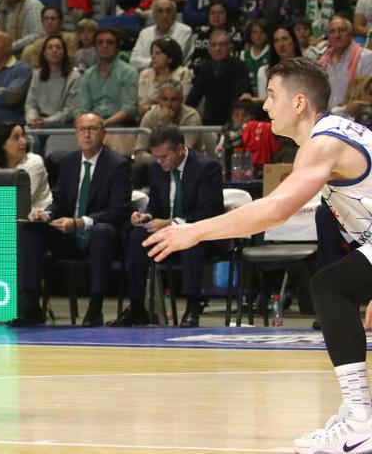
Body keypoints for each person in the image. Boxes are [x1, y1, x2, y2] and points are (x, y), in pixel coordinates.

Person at [142, 56, 372, 454]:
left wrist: (194, 231)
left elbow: (275, 210)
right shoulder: (334, 135)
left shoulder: (324, 143)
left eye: (271, 95)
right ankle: (360, 415)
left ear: (298, 103)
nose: (265, 106)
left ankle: (360, 418)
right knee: (338, 286)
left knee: (330, 286)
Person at [18, 113, 131, 326]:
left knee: (102, 231)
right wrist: (48, 214)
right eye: (82, 129)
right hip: (69, 235)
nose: (87, 134)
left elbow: (119, 211)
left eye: (93, 128)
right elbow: (59, 200)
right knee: (30, 230)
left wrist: (80, 222)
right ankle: (31, 304)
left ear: (103, 134)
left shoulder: (118, 165)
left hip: (100, 237)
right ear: (76, 134)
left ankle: (95, 308)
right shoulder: (68, 162)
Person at [116, 125, 224, 328]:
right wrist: (146, 216)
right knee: (137, 237)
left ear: (180, 149)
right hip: (170, 234)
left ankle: (192, 307)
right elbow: (156, 204)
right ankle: (137, 306)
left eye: (164, 156)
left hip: (204, 234)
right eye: (156, 156)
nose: (159, 161)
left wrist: (169, 223)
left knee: (192, 238)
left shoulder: (206, 167)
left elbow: (208, 213)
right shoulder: (158, 169)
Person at [75, 28, 139, 156]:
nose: (105, 46)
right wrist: (86, 124)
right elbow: (81, 108)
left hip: (119, 126)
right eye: (100, 42)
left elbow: (128, 109)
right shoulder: (88, 75)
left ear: (117, 47)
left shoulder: (129, 72)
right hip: (91, 126)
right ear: (95, 47)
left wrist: (103, 124)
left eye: (109, 42)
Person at [186, 29, 250, 127]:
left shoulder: (239, 67)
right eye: (214, 45)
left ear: (230, 48)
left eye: (222, 45)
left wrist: (230, 124)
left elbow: (237, 98)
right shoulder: (205, 68)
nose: (217, 48)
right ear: (208, 49)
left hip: (232, 122)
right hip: (209, 122)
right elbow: (194, 96)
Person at [0, 122, 52, 213]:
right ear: (2, 144)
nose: (23, 141)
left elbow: (22, 200)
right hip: (3, 214)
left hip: (37, 217)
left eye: (23, 136)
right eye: (16, 138)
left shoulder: (35, 162)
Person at [134, 82, 205, 165]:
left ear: (182, 100)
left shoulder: (191, 117)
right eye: (164, 99)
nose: (169, 105)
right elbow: (139, 154)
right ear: (158, 100)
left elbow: (182, 154)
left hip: (189, 164)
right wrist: (159, 160)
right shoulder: (150, 116)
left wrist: (166, 123)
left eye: (174, 100)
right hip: (158, 165)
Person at [24, 34, 80, 129]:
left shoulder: (74, 76)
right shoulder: (37, 75)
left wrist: (46, 121)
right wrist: (32, 120)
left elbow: (70, 110)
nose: (54, 50)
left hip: (62, 125)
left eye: (58, 47)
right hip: (37, 123)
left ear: (64, 53)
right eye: (50, 47)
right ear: (44, 54)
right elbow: (30, 104)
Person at [319, 17, 372, 109]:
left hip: (354, 119)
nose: (337, 35)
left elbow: (367, 96)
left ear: (351, 34)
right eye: (332, 31)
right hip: (327, 118)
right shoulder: (322, 62)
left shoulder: (366, 57)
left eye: (341, 30)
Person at [129, 0, 192, 70]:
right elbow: (133, 61)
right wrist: (155, 63)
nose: (164, 16)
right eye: (160, 11)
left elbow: (176, 60)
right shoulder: (145, 33)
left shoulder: (185, 31)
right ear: (154, 15)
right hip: (148, 76)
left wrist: (150, 63)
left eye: (168, 11)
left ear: (175, 15)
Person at [137, 37, 191, 118]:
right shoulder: (145, 74)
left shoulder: (182, 73)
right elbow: (141, 107)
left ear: (170, 58)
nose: (152, 57)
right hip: (150, 119)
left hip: (177, 118)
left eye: (158, 53)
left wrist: (151, 107)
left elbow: (181, 103)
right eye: (152, 53)